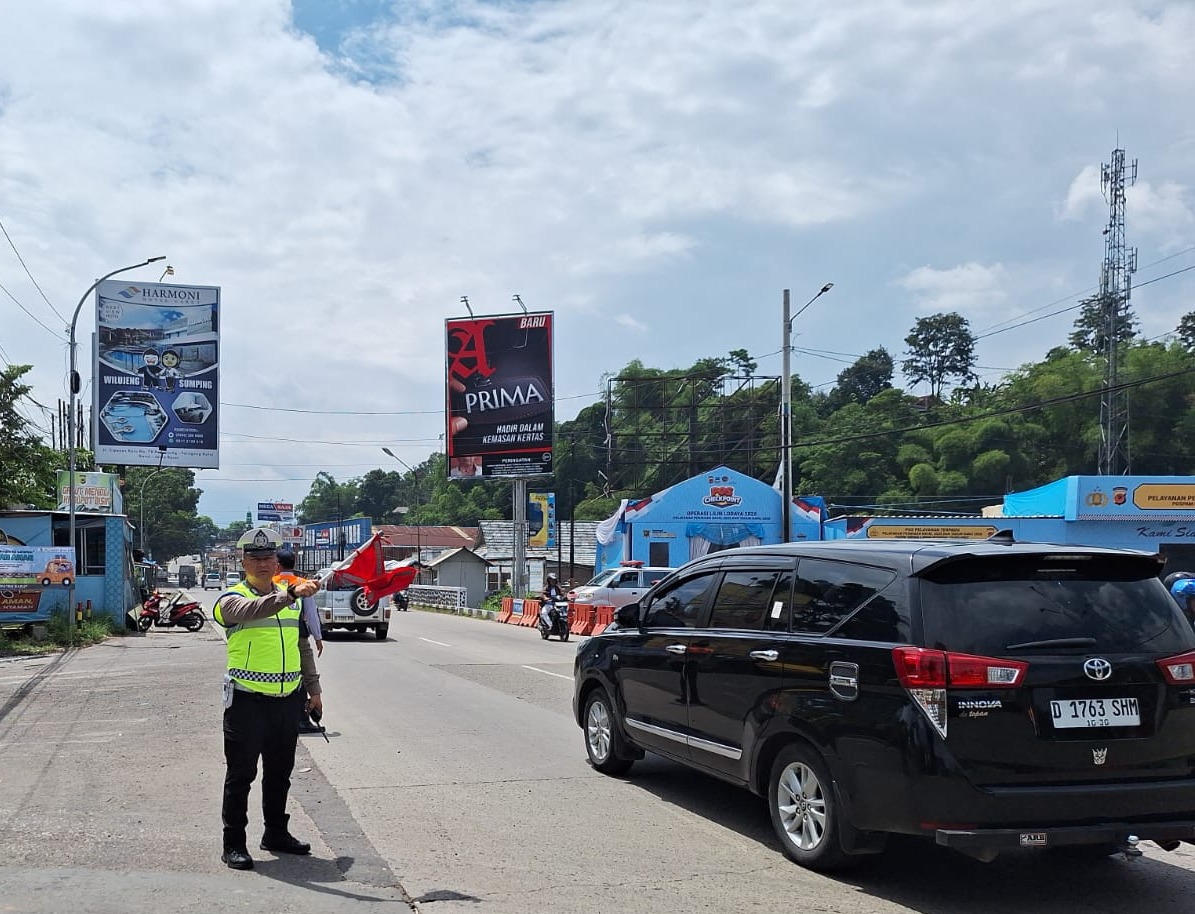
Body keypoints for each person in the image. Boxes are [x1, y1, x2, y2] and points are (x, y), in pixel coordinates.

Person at [213, 527, 323, 871]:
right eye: (255, 558)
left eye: (268, 557)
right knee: (241, 775)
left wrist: (314, 690)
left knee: (279, 773)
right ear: (243, 562)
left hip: (286, 701)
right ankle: (233, 844)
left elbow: (302, 646)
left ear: (277, 561)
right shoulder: (231, 599)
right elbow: (252, 611)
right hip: (247, 703)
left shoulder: (292, 600)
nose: (262, 563)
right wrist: (290, 594)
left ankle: (276, 833)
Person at [274, 547, 324, 734]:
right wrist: (318, 637)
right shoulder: (302, 584)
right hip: (299, 636)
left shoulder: (270, 583)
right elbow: (311, 614)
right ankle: (303, 719)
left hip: (275, 636)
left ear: (277, 565)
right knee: (306, 675)